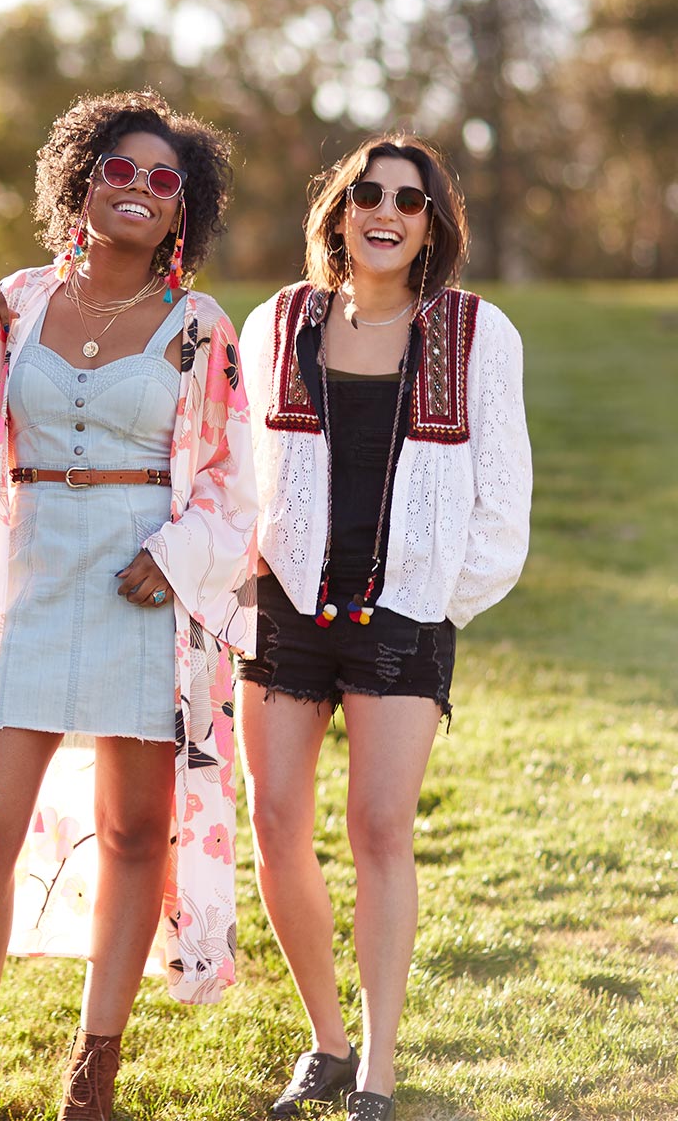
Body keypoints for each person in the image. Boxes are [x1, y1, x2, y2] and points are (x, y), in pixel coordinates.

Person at [0, 90, 257, 1121]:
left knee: (133, 833)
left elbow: (234, 481)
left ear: (183, 214)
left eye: (166, 182)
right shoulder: (17, 304)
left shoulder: (200, 327)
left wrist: (177, 552)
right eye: (120, 168)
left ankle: (92, 1074)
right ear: (80, 179)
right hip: (30, 584)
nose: (141, 190)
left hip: (144, 590)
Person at [237, 134, 532, 1121]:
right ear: (339, 209)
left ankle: (379, 1067)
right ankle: (326, 1041)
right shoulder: (277, 321)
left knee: (379, 830)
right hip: (284, 612)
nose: (388, 210)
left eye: (411, 199)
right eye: (369, 192)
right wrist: (243, 582)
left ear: (433, 225)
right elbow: (239, 475)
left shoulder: (478, 335)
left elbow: (504, 508)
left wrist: (438, 602)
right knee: (276, 826)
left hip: (403, 619)